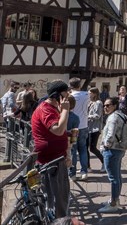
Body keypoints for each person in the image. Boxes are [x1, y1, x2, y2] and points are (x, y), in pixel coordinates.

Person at [30, 80, 71, 219]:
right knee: (57, 196)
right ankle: (59, 221)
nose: (68, 96)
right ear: (58, 94)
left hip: (55, 157)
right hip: (51, 160)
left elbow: (60, 130)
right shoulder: (46, 109)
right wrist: (65, 109)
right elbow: (58, 130)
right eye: (66, 93)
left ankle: (57, 219)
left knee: (59, 195)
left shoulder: (52, 108)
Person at [99, 96, 127, 213]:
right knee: (117, 176)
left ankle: (113, 203)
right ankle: (115, 200)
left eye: (108, 105)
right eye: (104, 105)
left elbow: (110, 135)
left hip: (112, 150)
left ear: (114, 106)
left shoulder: (112, 118)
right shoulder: (120, 115)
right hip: (119, 149)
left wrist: (105, 146)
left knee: (113, 178)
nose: (105, 107)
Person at [68, 78, 89, 181]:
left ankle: (72, 173)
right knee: (83, 149)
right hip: (84, 125)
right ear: (79, 85)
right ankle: (84, 171)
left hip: (73, 127)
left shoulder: (70, 96)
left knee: (73, 150)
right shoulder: (86, 95)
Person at [87, 88, 104, 171]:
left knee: (92, 148)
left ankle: (104, 162)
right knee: (85, 147)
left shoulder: (98, 103)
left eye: (90, 93)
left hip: (95, 128)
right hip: (88, 127)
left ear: (95, 94)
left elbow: (97, 115)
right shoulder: (90, 103)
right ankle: (87, 166)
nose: (88, 94)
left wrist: (87, 117)